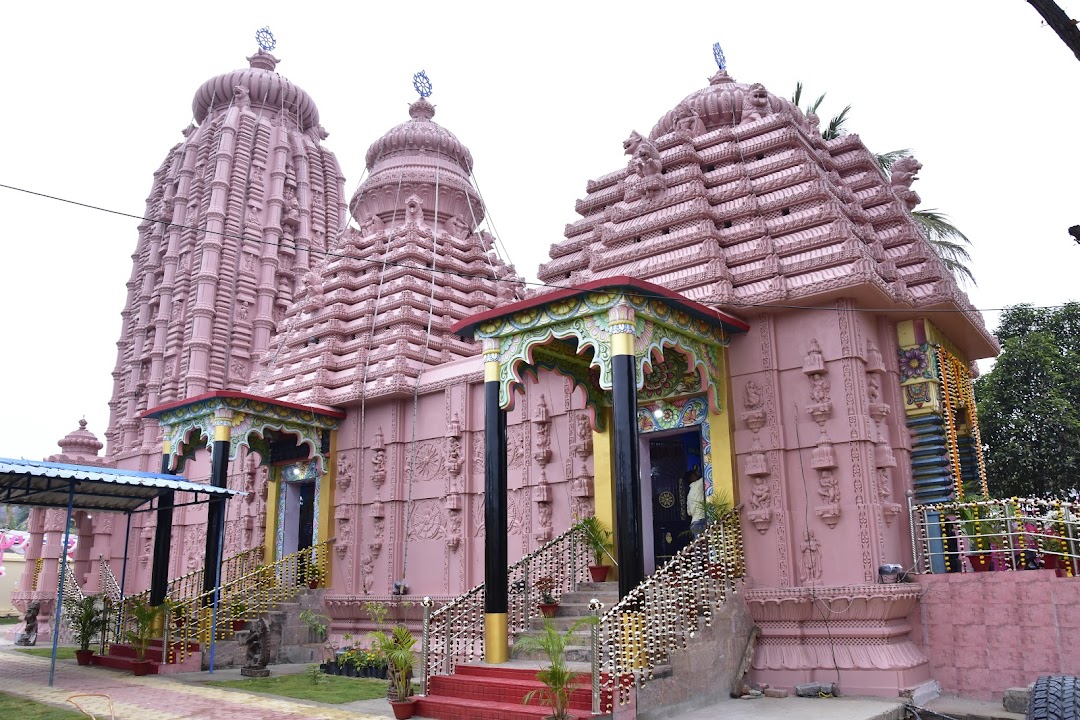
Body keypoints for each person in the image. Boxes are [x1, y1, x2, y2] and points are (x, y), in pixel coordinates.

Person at [686, 468, 705, 537]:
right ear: (692, 477)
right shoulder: (698, 484)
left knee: (699, 546)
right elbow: (707, 475)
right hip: (701, 521)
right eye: (695, 474)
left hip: (694, 523)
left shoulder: (689, 495)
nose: (697, 475)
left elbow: (689, 512)